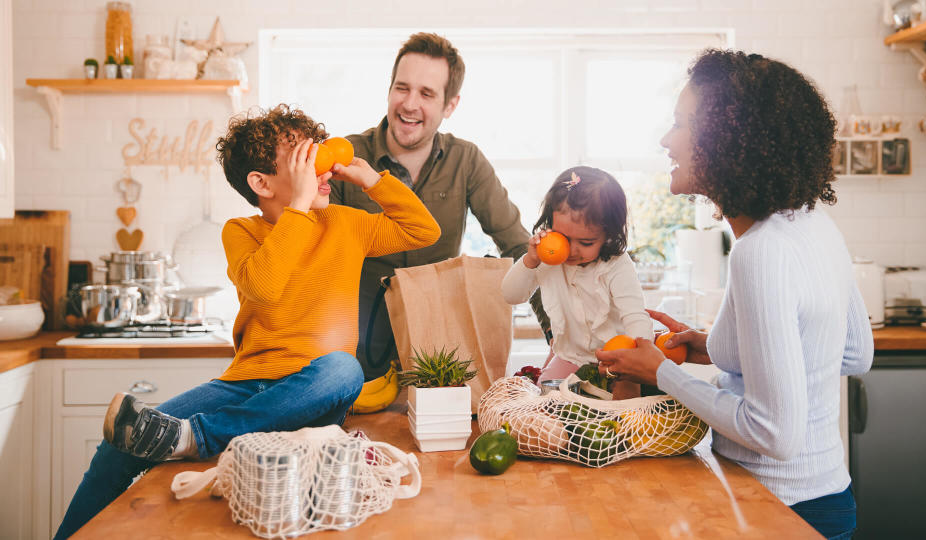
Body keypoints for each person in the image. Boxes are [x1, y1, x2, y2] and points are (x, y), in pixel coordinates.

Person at [53, 104, 441, 539]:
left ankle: (196, 436)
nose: (320, 166)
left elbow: (423, 231)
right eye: (302, 159)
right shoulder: (241, 231)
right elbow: (265, 285)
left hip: (313, 392)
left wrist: (370, 177)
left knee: (344, 367)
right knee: (118, 443)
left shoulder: (346, 224)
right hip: (245, 385)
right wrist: (299, 203)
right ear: (261, 182)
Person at [595, 50, 873, 540]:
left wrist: (659, 372)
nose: (666, 140)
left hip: (778, 512)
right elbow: (853, 352)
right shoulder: (813, 224)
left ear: (727, 141)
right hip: (829, 500)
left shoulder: (759, 252)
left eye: (681, 124)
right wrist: (714, 344)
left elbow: (774, 435)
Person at [332, 32, 549, 403]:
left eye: (427, 93)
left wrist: (557, 336)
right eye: (402, 88)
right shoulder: (347, 158)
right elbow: (314, 252)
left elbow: (518, 245)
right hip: (352, 354)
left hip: (439, 359)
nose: (409, 104)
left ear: (450, 105)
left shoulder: (466, 161)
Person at [501, 166, 654, 399]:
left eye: (586, 242)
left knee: (624, 409)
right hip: (570, 356)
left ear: (609, 235)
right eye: (563, 237)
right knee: (547, 401)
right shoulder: (547, 257)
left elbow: (635, 317)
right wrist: (530, 260)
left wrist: (635, 366)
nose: (571, 251)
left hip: (618, 360)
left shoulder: (616, 265)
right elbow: (511, 295)